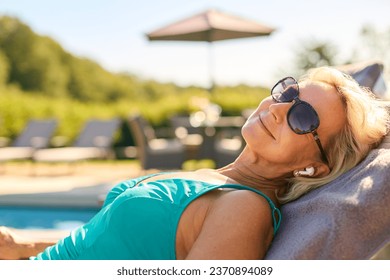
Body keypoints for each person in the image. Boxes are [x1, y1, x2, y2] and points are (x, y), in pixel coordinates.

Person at [0, 66, 388, 260]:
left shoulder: (244, 207)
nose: (278, 109)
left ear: (313, 168)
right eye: (289, 92)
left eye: (303, 118)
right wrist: (23, 245)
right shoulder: (218, 181)